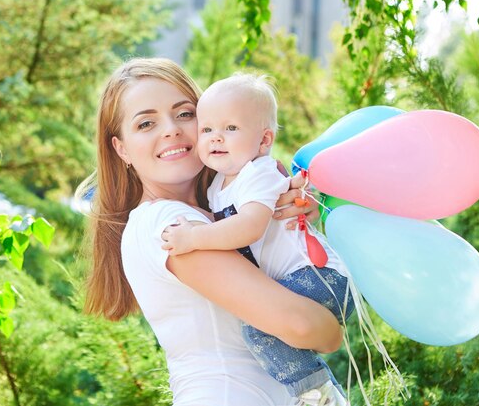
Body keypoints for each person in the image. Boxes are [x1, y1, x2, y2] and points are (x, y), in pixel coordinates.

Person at [77, 58, 345, 406]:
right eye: (146, 123)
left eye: (185, 114)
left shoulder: (223, 213)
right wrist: (332, 328)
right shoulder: (167, 225)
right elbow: (307, 328)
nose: (171, 129)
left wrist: (293, 213)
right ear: (122, 148)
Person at [160, 73, 355, 405]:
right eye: (207, 129)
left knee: (259, 326)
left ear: (264, 140)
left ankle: (321, 395)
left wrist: (193, 238)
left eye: (231, 128)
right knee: (266, 325)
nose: (216, 138)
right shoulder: (217, 186)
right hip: (298, 279)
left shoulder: (259, 173)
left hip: (321, 276)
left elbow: (249, 227)